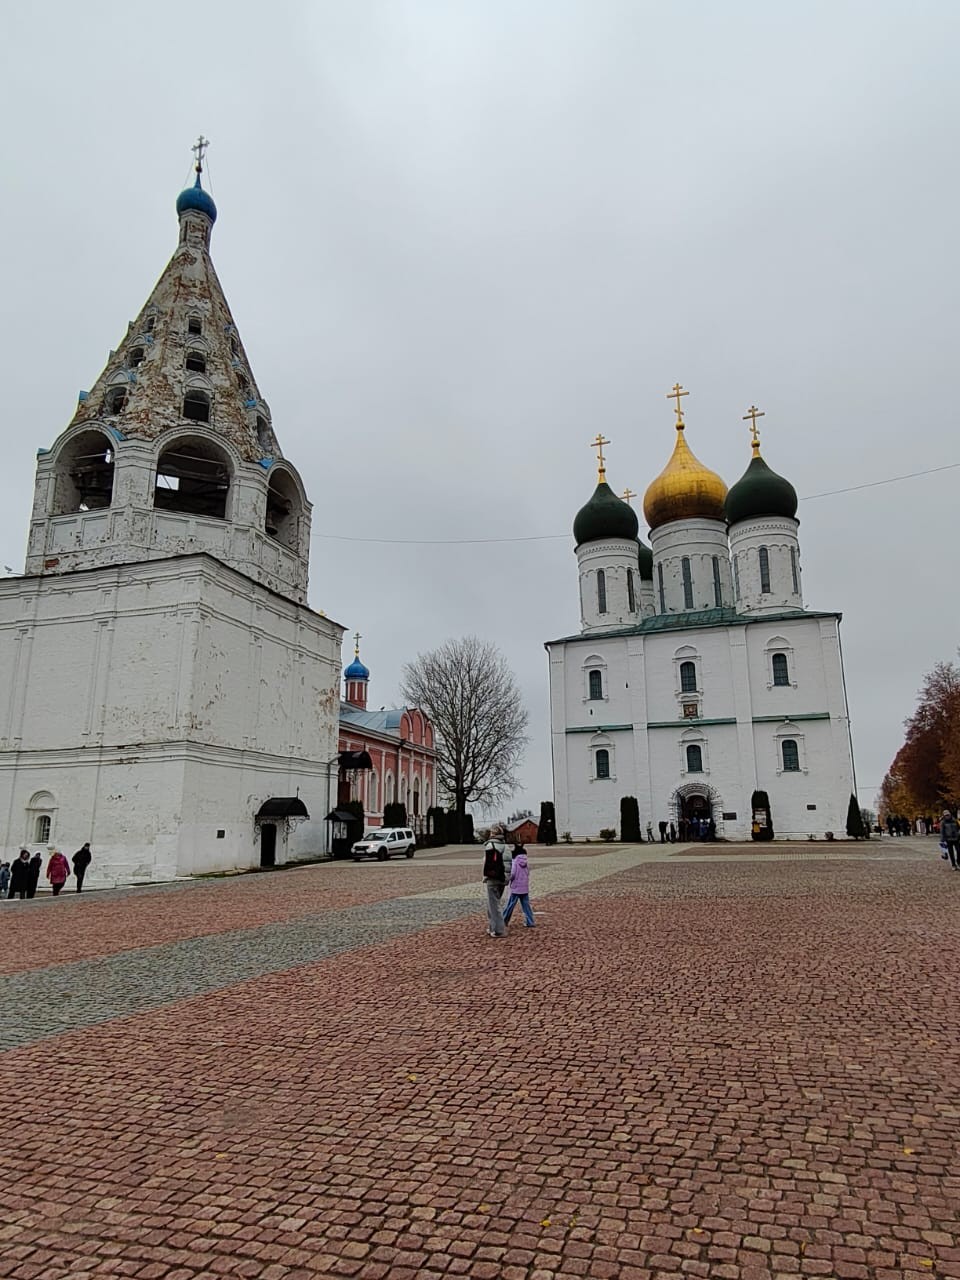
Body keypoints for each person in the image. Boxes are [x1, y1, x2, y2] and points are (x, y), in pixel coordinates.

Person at [503, 844, 535, 929]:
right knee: (526, 905)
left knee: (510, 905)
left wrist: (509, 879)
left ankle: (503, 920)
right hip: (524, 886)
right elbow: (528, 872)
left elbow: (512, 873)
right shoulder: (526, 861)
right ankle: (530, 921)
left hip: (516, 887)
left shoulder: (515, 861)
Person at [482, 841, 506, 938]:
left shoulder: (490, 846)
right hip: (502, 879)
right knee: (496, 903)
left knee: (493, 905)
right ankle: (494, 927)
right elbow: (509, 864)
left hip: (492, 878)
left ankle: (497, 929)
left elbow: (486, 864)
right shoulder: (506, 846)